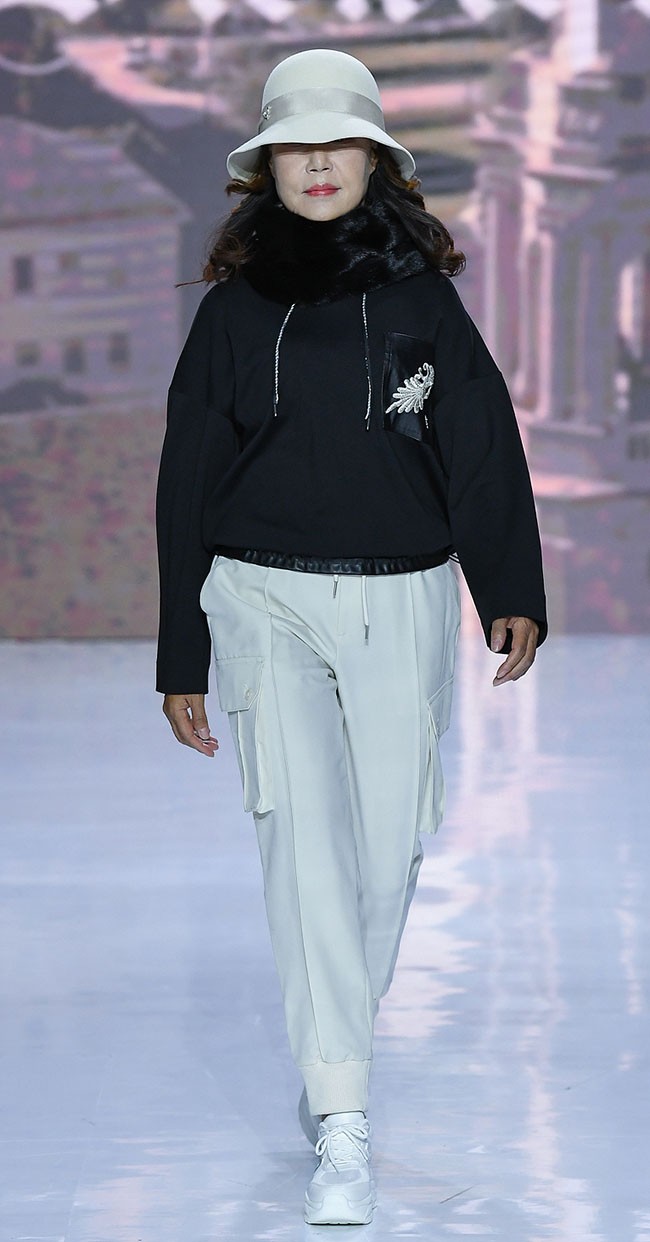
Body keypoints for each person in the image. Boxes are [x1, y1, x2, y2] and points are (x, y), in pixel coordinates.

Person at [155, 48, 547, 1227]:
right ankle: (342, 1112)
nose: (317, 163)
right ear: (265, 165)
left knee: (386, 853)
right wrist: (181, 651)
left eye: (339, 143)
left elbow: (477, 442)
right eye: (295, 144)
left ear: (374, 161)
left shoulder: (424, 304)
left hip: (402, 596)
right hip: (260, 598)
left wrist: (507, 584)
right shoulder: (231, 313)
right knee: (303, 849)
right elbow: (186, 481)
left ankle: (333, 1055)